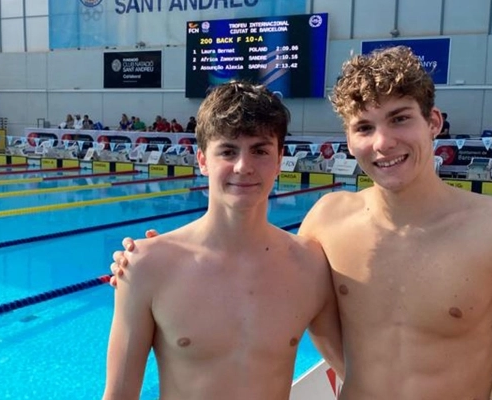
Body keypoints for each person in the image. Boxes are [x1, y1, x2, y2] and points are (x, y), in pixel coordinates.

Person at [109, 46, 492, 399]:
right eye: (364, 127)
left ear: (433, 122)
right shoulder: (328, 222)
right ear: (348, 139)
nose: (383, 142)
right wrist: (148, 262)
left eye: (400, 119)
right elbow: (255, 279)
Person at [102, 81, 344, 400]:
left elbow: (353, 371)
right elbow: (119, 395)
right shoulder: (146, 265)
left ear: (280, 159)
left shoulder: (310, 264)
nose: (243, 166)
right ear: (202, 160)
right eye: (228, 151)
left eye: (260, 150)